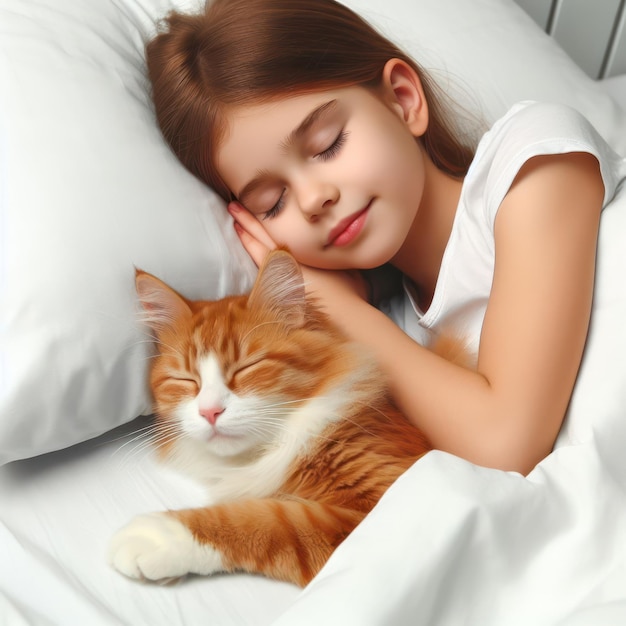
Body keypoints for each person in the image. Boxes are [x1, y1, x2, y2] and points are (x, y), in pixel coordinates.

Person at [144, 0, 625, 475]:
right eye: (273, 202)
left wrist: (339, 306)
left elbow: (505, 443)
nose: (314, 199)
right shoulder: (397, 334)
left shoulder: (534, 155)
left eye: (328, 144)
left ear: (402, 98)